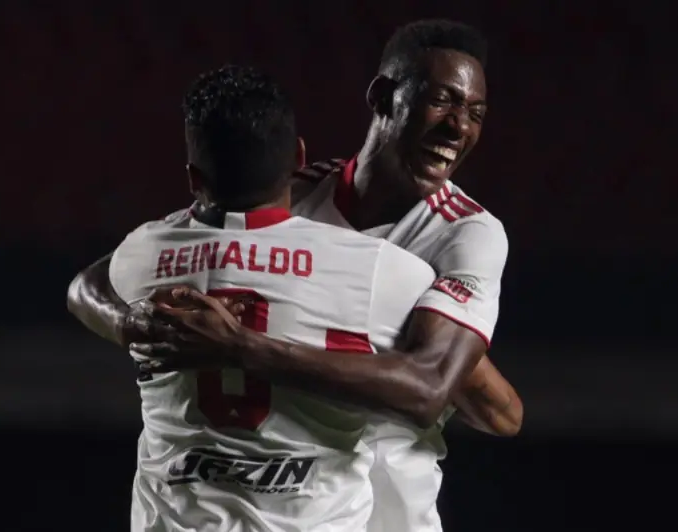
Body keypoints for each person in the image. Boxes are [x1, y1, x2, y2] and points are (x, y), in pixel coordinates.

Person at [69, 19, 523, 532]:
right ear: (383, 97)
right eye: (441, 101)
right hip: (279, 498)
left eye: (475, 113)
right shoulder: (290, 192)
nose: (459, 127)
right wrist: (132, 322)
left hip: (396, 507)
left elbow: (465, 398)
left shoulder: (469, 233)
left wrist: (240, 347)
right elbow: (97, 281)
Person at [113, 64, 438, 531]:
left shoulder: (140, 255)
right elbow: (475, 396)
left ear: (194, 178)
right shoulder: (381, 271)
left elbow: (87, 286)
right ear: (299, 157)